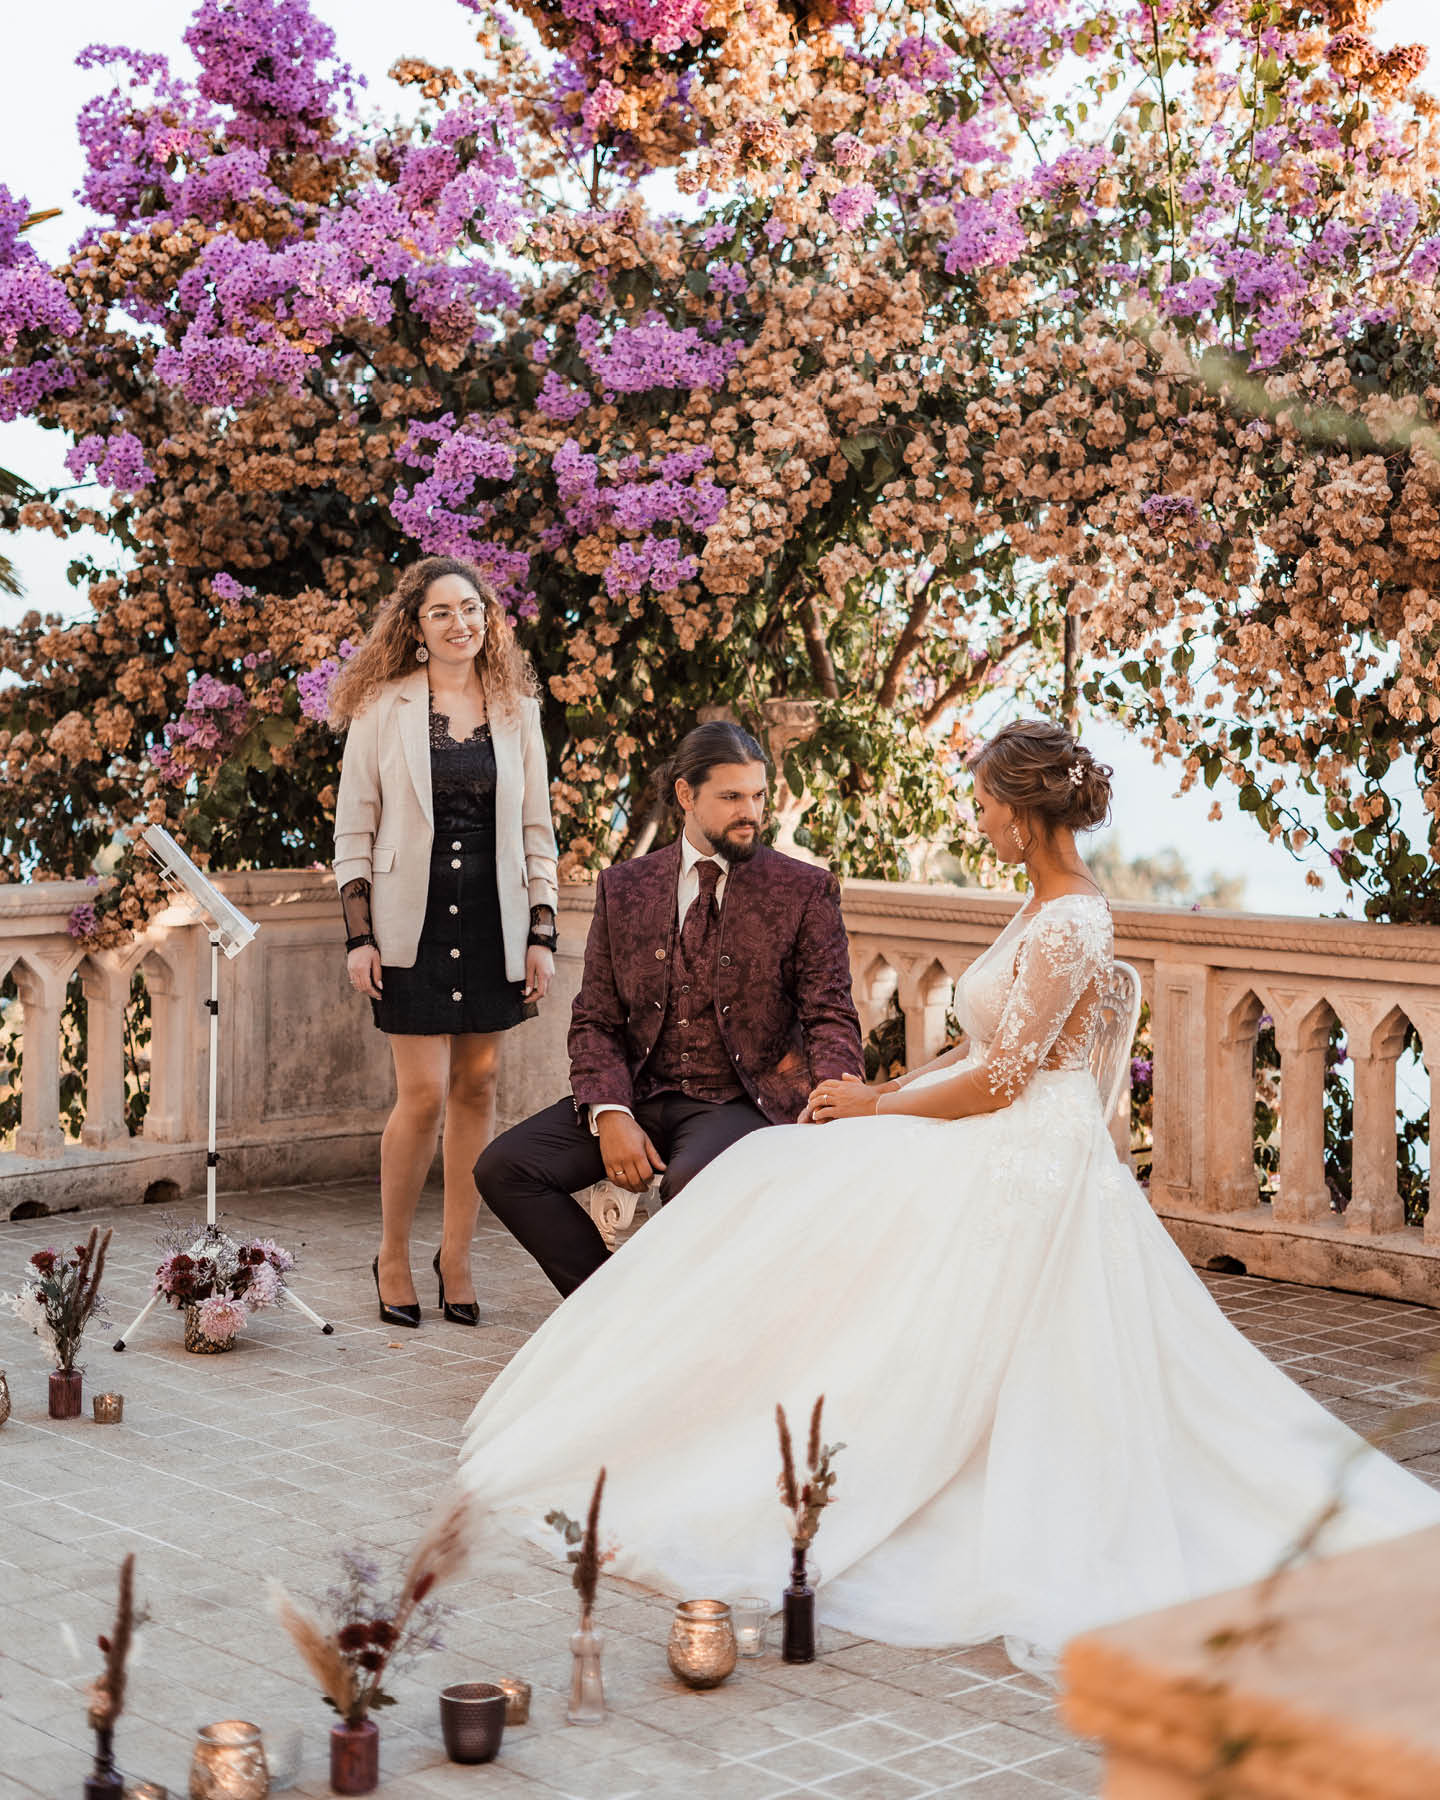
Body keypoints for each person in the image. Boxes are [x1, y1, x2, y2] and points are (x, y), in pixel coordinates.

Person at [455, 719, 1440, 1669]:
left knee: (801, 1196)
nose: (976, 821)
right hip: (994, 1123)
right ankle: (684, 1379)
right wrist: (873, 1096)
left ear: (1019, 811)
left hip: (1019, 1144)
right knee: (781, 1176)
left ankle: (786, 1419)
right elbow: (978, 1048)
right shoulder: (1039, 909)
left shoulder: (1073, 918)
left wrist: (882, 1110)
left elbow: (1005, 1080)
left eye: (981, 805)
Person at [474, 720, 864, 1296]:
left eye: (757, 795)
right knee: (505, 1167)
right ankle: (608, 1307)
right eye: (731, 797)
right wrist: (610, 1113)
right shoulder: (625, 887)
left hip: (740, 1098)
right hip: (643, 1091)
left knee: (691, 1183)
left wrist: (834, 1102)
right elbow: (597, 1019)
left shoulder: (802, 890)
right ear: (686, 795)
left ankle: (655, 1326)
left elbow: (830, 1013)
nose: (750, 812)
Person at [331, 555, 559, 1329]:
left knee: (478, 1089)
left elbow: (537, 832)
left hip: (493, 918)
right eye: (441, 612)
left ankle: (455, 1254)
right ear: (417, 628)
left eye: (472, 608)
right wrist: (359, 937)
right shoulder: (381, 706)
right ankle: (393, 1253)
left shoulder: (516, 707)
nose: (461, 622)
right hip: (409, 920)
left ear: (488, 619)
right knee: (422, 1094)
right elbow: (353, 829)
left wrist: (542, 931)